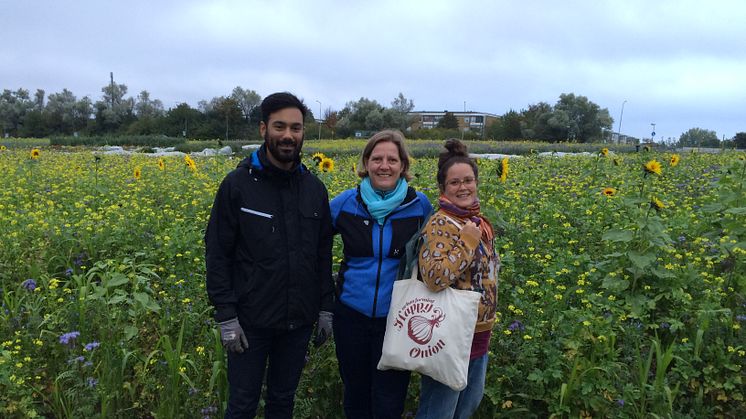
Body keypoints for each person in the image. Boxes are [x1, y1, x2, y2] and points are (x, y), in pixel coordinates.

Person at [205, 92, 334, 419]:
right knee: (242, 404)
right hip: (249, 322)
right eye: (280, 126)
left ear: (304, 132)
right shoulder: (237, 186)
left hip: (298, 320)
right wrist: (226, 315)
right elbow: (218, 252)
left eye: (296, 127)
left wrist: (325, 308)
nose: (288, 135)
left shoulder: (314, 189)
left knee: (282, 402)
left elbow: (322, 255)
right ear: (263, 129)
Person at [330, 129, 433, 418]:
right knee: (355, 393)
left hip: (398, 319)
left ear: (403, 166)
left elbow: (437, 250)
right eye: (377, 159)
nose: (384, 166)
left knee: (390, 399)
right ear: (366, 163)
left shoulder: (419, 205)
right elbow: (310, 244)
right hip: (351, 314)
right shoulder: (345, 204)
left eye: (392, 159)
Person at [415, 139, 499, 419]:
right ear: (443, 188)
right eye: (455, 183)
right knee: (438, 412)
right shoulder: (441, 223)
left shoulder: (477, 222)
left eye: (469, 180)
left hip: (477, 334)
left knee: (466, 407)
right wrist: (466, 242)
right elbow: (434, 277)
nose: (463, 187)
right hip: (450, 334)